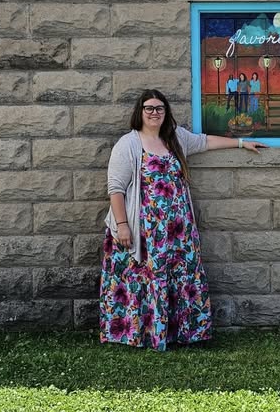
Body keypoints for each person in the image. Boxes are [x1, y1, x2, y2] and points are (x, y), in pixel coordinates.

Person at [101, 89, 266, 350]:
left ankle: (183, 333)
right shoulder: (128, 144)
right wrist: (122, 226)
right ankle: (145, 334)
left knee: (181, 277)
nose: (154, 113)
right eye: (149, 108)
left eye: (159, 108)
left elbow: (204, 142)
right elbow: (115, 189)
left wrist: (240, 143)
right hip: (144, 230)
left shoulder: (175, 138)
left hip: (178, 229)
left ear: (166, 113)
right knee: (146, 279)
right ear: (140, 112)